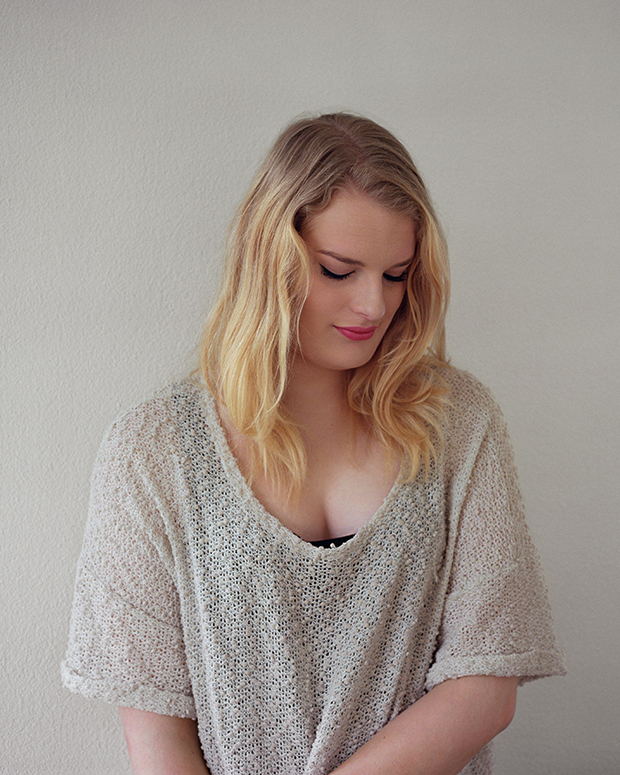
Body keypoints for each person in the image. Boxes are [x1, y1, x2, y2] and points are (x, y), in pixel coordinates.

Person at [62, 112, 565, 775]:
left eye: (396, 275)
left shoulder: (457, 423)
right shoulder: (154, 450)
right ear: (267, 257)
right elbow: (158, 732)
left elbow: (486, 684)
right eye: (337, 270)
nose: (373, 306)